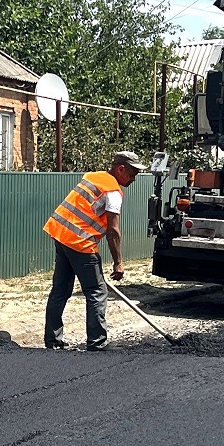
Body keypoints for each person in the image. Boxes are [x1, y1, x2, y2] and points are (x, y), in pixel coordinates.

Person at [43, 149, 145, 351]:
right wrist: (118, 262)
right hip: (80, 244)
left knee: (60, 290)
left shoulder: (93, 177)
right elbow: (113, 231)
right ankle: (97, 342)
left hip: (61, 235)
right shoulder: (112, 192)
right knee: (97, 291)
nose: (133, 179)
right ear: (121, 169)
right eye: (132, 174)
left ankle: (52, 340)